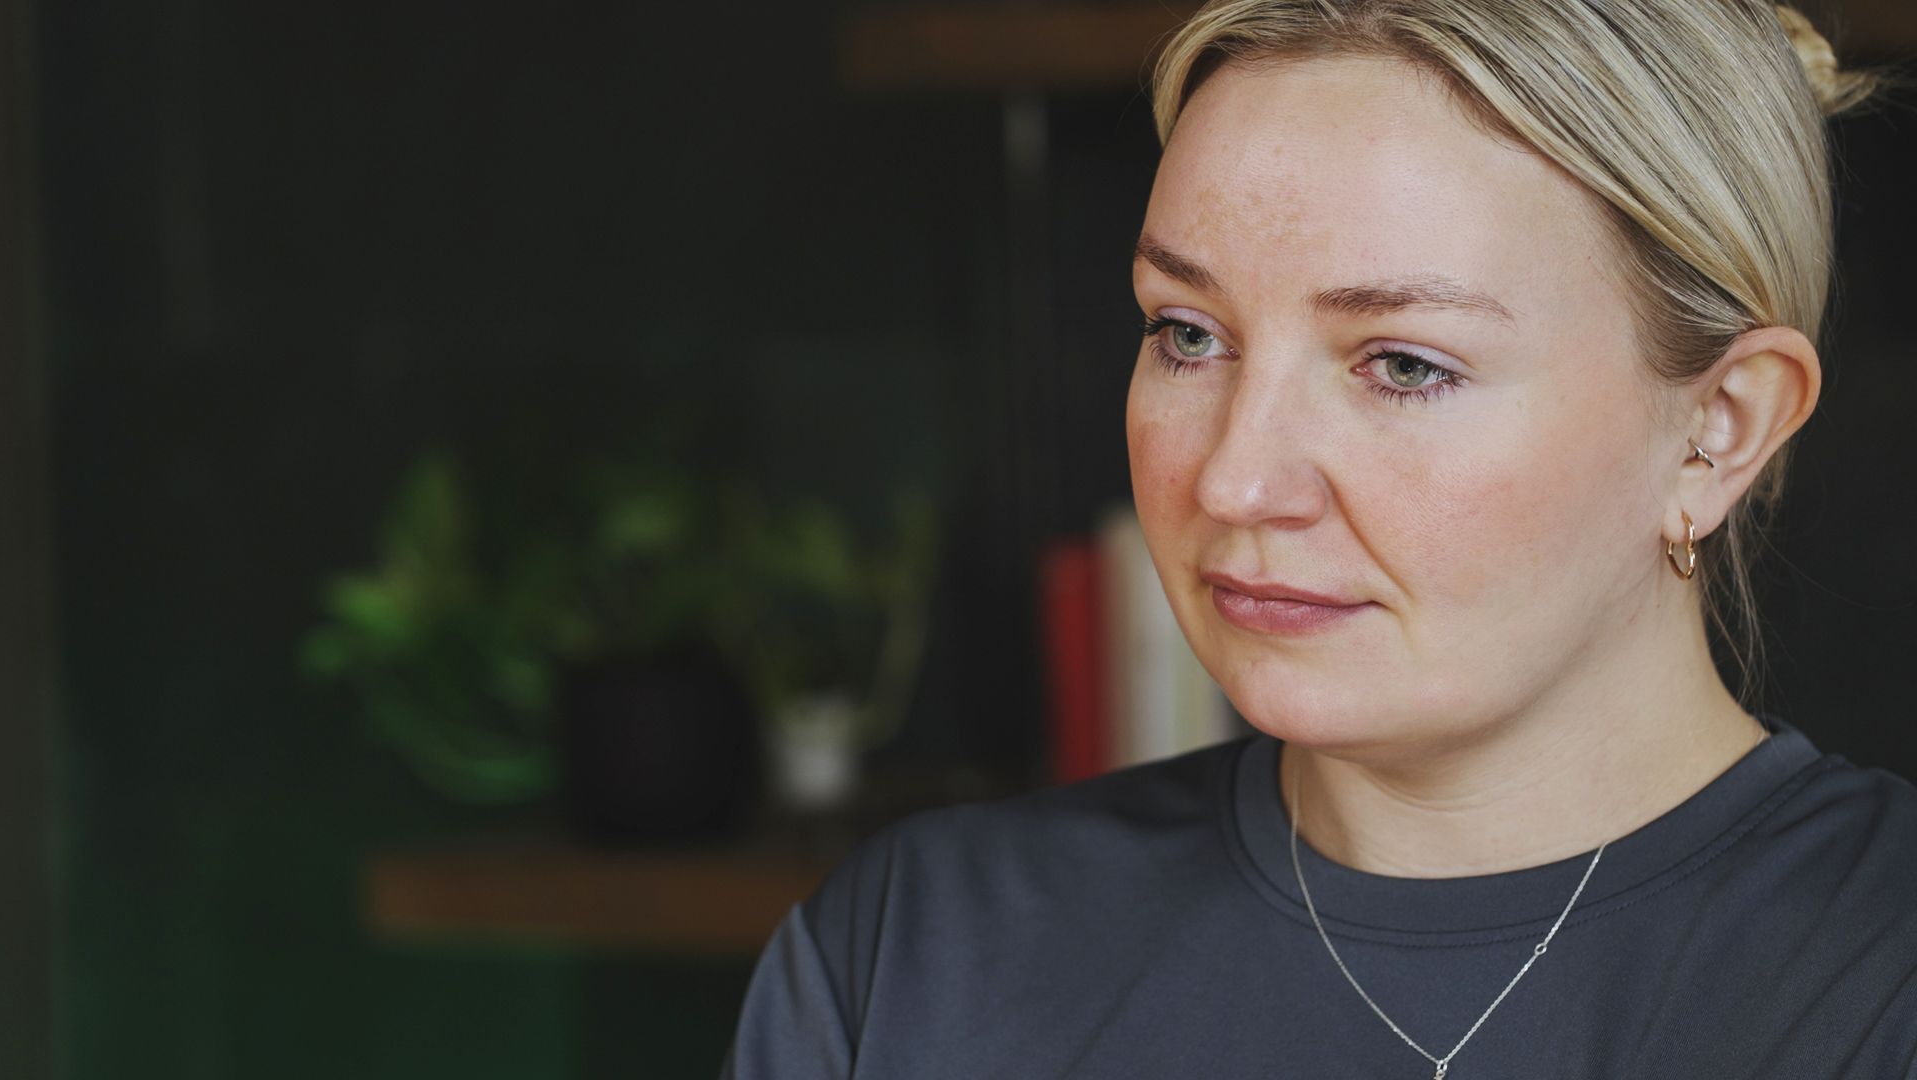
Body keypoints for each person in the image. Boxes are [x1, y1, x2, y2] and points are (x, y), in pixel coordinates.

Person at [721, 2, 1917, 1076]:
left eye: (1403, 364)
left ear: (1720, 425)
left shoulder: (1880, 979)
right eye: (1188, 334)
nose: (1237, 480)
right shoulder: (913, 958)